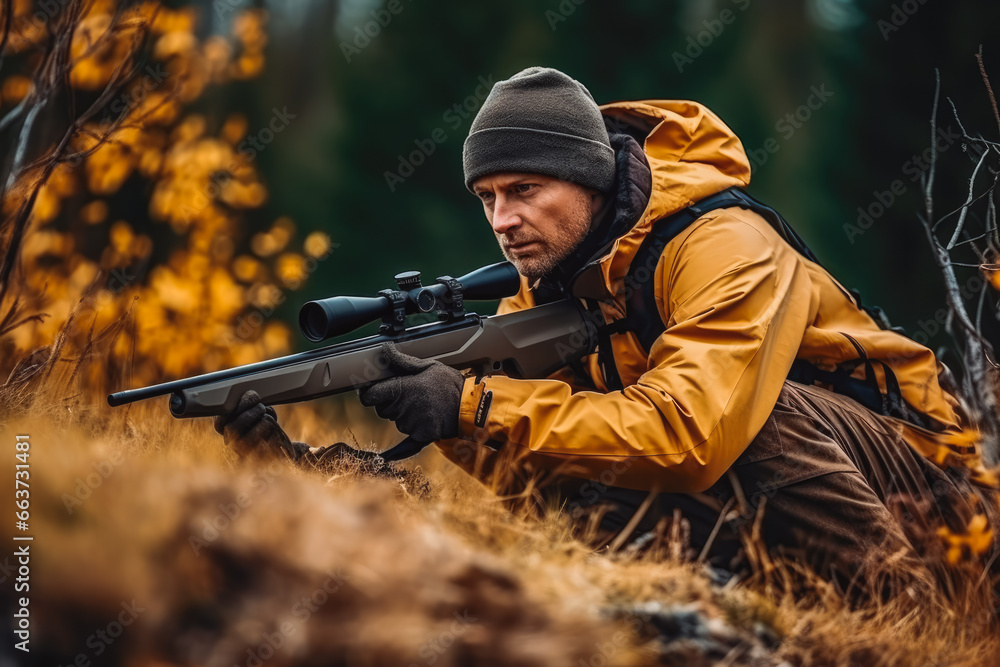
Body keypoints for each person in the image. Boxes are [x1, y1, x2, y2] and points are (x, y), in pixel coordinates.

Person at [216, 67, 999, 597]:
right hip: (811, 501)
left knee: (747, 416)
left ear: (589, 179)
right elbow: (536, 478)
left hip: (942, 504)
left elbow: (695, 432)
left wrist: (473, 406)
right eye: (487, 197)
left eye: (524, 189)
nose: (503, 221)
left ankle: (906, 615)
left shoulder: (723, 244)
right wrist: (442, 416)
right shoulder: (551, 281)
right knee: (576, 483)